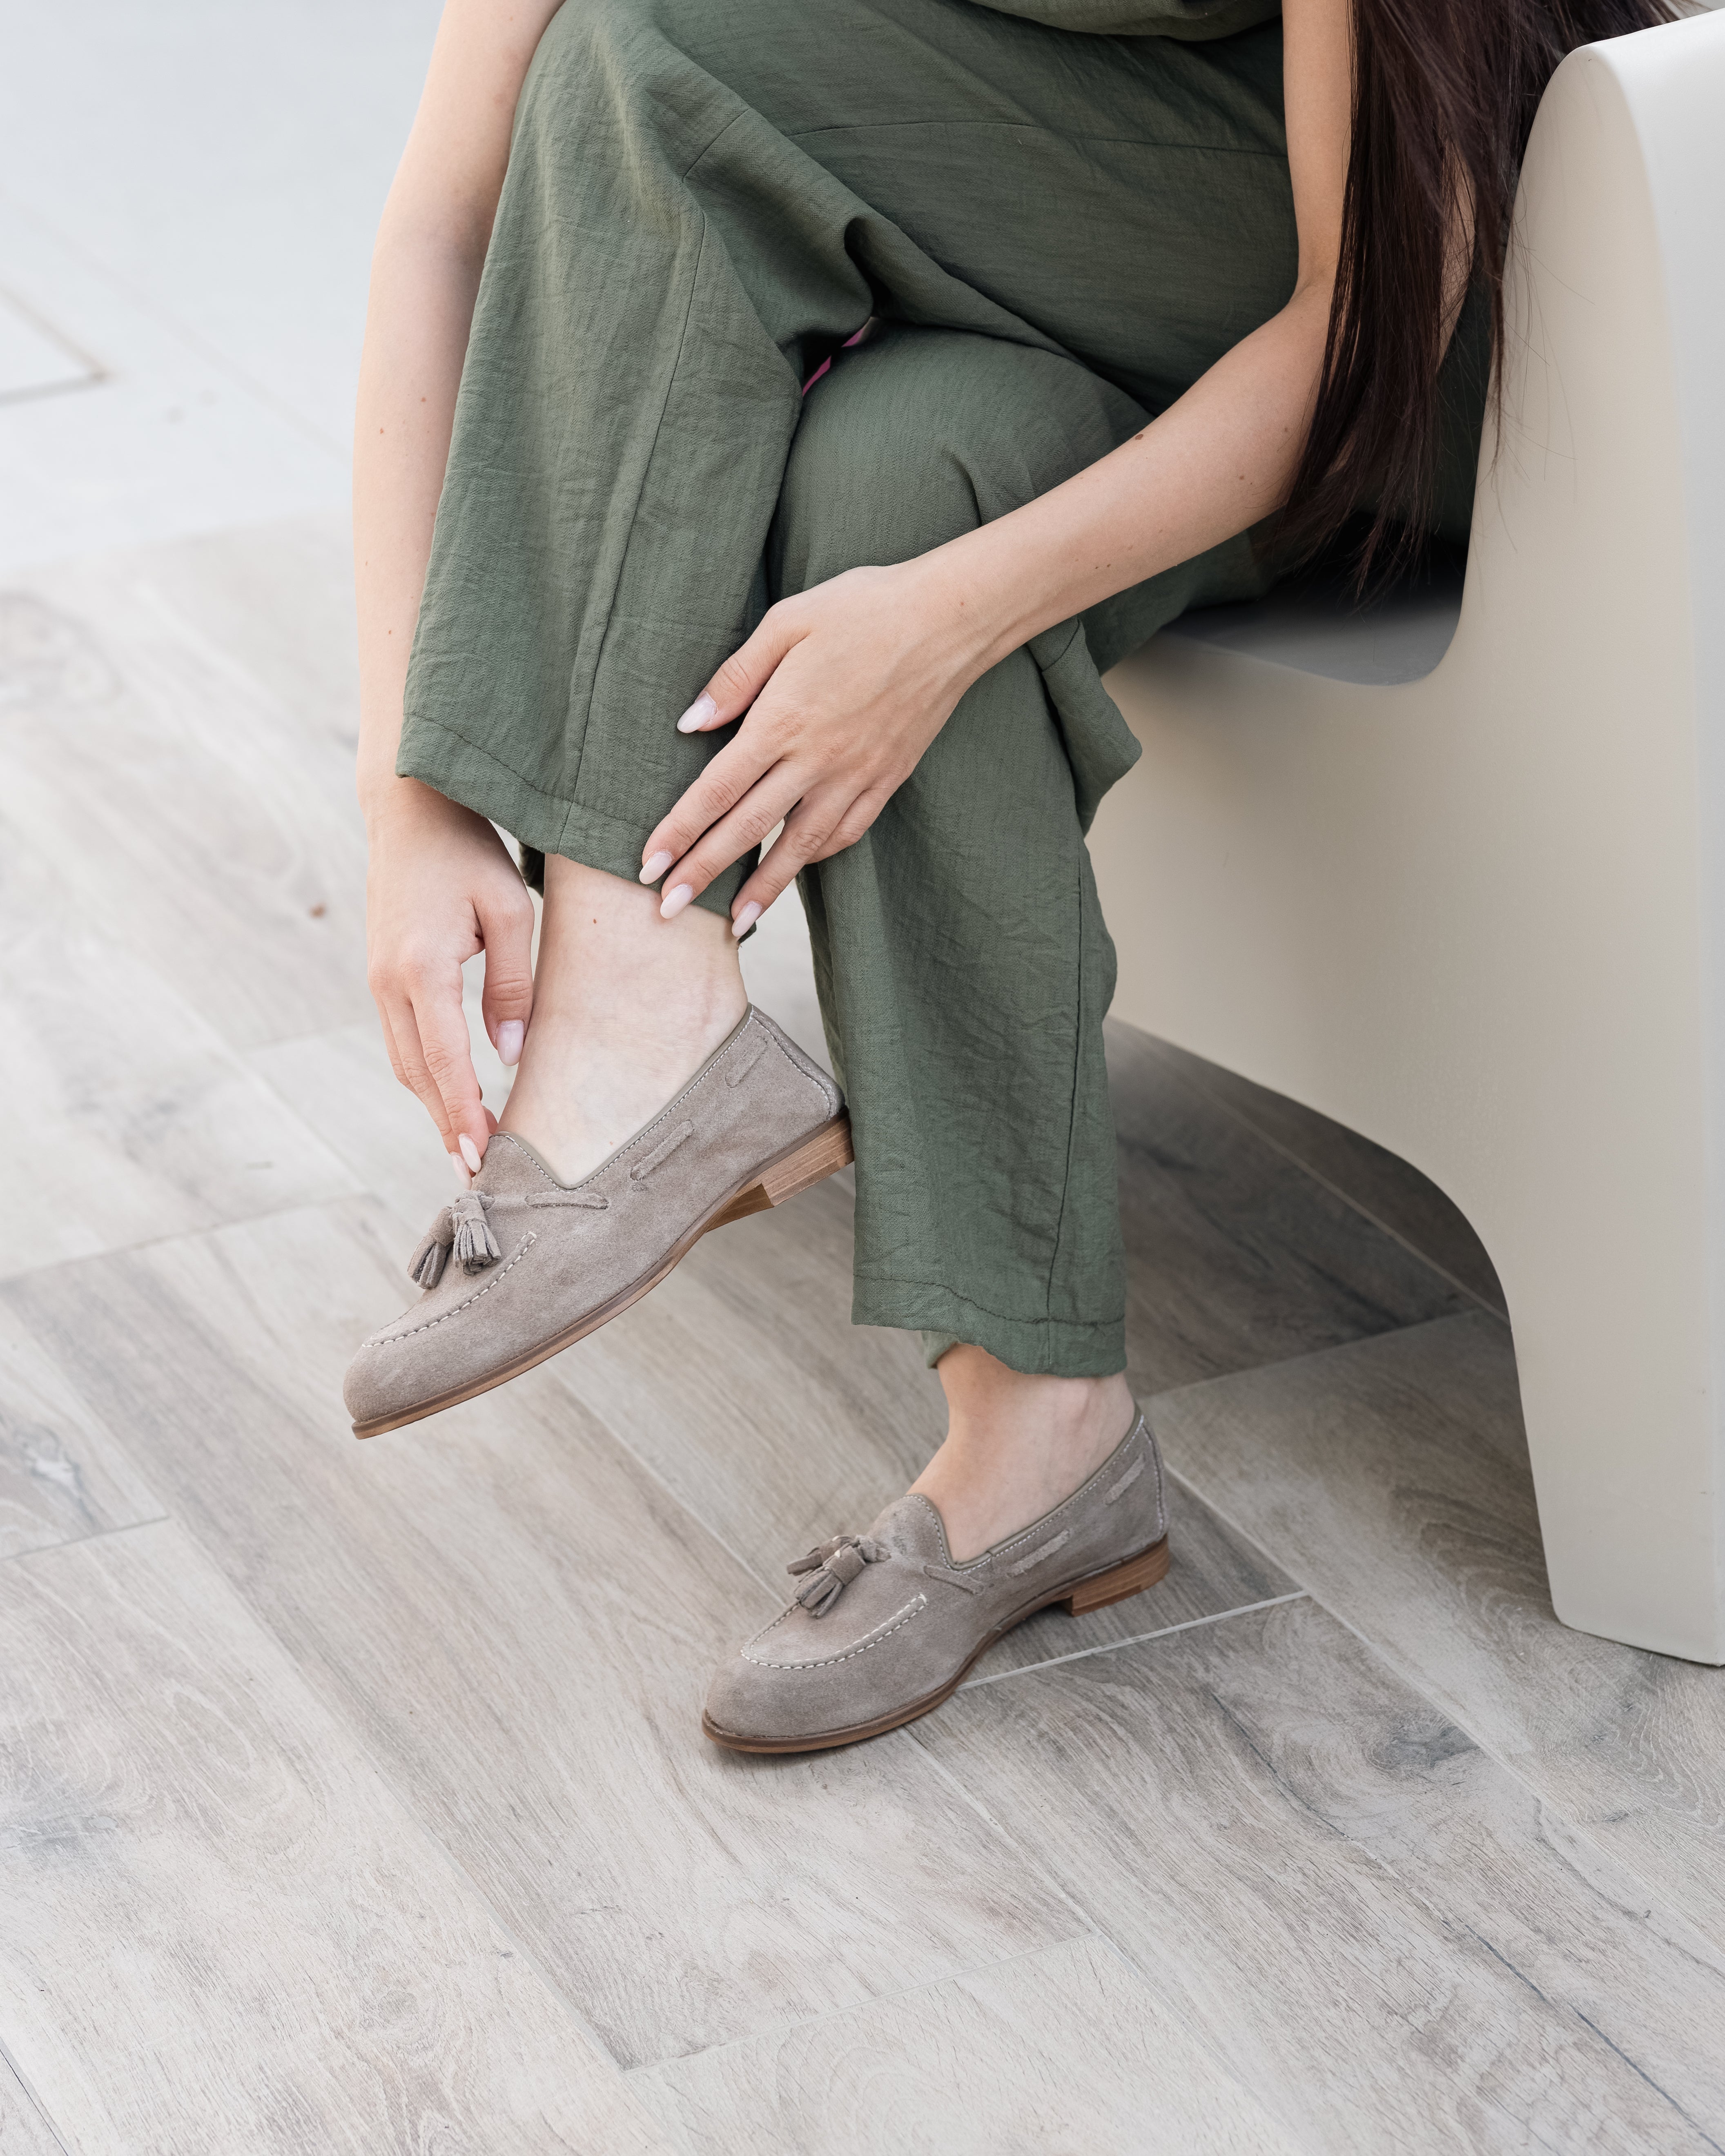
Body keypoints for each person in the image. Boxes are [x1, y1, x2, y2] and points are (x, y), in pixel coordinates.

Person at [342, 0, 1670, 1751]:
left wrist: (955, 620)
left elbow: (1370, 312)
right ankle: (1041, 1428)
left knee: (660, 49)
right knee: (897, 475)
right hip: (1018, 263)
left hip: (1454, 311)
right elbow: (449, 219)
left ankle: (635, 1003)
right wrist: (410, 805)